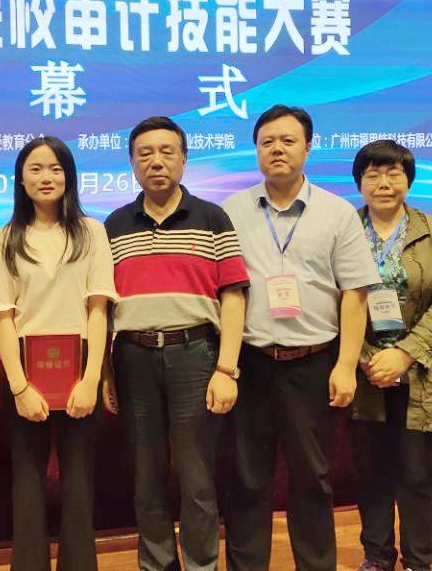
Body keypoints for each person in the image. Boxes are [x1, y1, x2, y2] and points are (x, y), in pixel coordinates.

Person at [220, 104, 381, 571]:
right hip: (250, 362)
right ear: (256, 150)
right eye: (267, 141)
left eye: (288, 141)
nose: (277, 149)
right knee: (246, 479)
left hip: (313, 363)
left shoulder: (337, 213)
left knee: (312, 477)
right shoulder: (230, 211)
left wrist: (346, 365)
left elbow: (355, 294)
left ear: (309, 148)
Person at [102, 116, 249, 571]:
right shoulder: (114, 225)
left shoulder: (212, 218)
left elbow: (233, 296)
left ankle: (202, 564)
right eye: (144, 153)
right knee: (146, 476)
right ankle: (158, 564)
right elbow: (102, 307)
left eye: (167, 152)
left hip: (196, 355)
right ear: (132, 163)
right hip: (133, 357)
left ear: (184, 159)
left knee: (196, 476)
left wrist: (226, 369)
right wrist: (105, 372)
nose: (156, 161)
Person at [0, 136, 117, 571]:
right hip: (25, 367)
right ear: (20, 180)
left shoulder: (92, 232)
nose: (46, 177)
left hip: (79, 366)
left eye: (56, 168)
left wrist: (91, 379)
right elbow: (3, 316)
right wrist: (19, 387)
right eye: (36, 168)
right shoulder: (6, 237)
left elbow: (98, 308)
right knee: (27, 482)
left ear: (69, 177)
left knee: (78, 481)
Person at [348, 140, 432, 571]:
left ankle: (419, 559)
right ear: (359, 182)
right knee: (371, 471)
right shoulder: (344, 228)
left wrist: (405, 354)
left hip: (421, 371)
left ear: (408, 180)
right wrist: (365, 357)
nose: (384, 183)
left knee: (417, 473)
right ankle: (377, 555)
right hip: (363, 372)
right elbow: (330, 299)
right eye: (373, 174)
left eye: (393, 173)